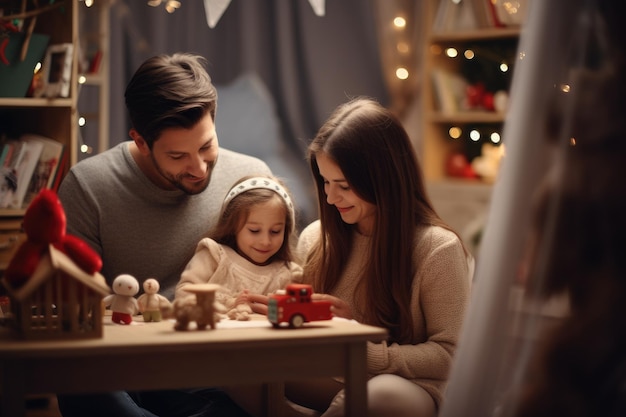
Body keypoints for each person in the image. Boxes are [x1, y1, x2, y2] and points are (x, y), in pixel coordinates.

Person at [56, 52, 270, 416]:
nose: (199, 168)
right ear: (141, 141)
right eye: (177, 156)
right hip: (116, 368)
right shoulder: (87, 187)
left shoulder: (251, 182)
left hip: (214, 373)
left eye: (206, 146)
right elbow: (70, 318)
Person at [288, 97, 473, 417]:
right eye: (325, 183)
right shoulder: (316, 239)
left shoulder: (437, 249)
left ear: (381, 179)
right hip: (331, 375)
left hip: (408, 386)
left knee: (376, 396)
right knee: (241, 371)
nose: (330, 198)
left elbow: (448, 355)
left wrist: (361, 350)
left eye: (343, 185)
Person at [175, 174, 303, 320]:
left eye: (275, 231)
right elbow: (184, 295)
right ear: (233, 225)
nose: (265, 241)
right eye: (254, 230)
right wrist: (229, 304)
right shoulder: (214, 256)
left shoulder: (288, 273)